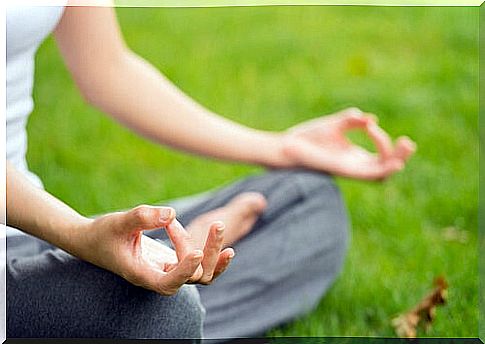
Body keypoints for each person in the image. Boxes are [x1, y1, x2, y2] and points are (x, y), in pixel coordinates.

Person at [5, 3, 416, 339]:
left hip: (30, 232)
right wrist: (77, 236)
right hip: (41, 241)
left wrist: (282, 147)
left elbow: (106, 66)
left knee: (306, 199)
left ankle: (160, 281)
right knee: (166, 317)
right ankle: (166, 296)